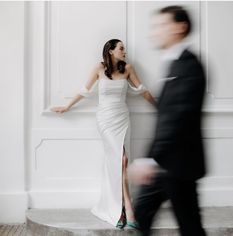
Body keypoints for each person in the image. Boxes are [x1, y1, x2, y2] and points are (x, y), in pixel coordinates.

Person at [51, 39, 156, 229]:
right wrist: (67, 106)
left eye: (124, 48)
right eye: (121, 48)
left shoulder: (129, 68)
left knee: (123, 161)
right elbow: (85, 90)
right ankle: (127, 208)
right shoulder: (99, 69)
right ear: (110, 51)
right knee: (118, 161)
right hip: (105, 120)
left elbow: (143, 91)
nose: (125, 51)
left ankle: (124, 208)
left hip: (122, 119)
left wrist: (160, 106)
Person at [128, 6, 207, 236]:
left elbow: (178, 118)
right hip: (166, 162)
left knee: (189, 225)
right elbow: (166, 117)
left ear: (180, 27)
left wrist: (150, 160)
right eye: (155, 25)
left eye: (162, 25)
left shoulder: (189, 65)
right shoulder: (174, 62)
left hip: (179, 164)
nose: (156, 31)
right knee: (142, 215)